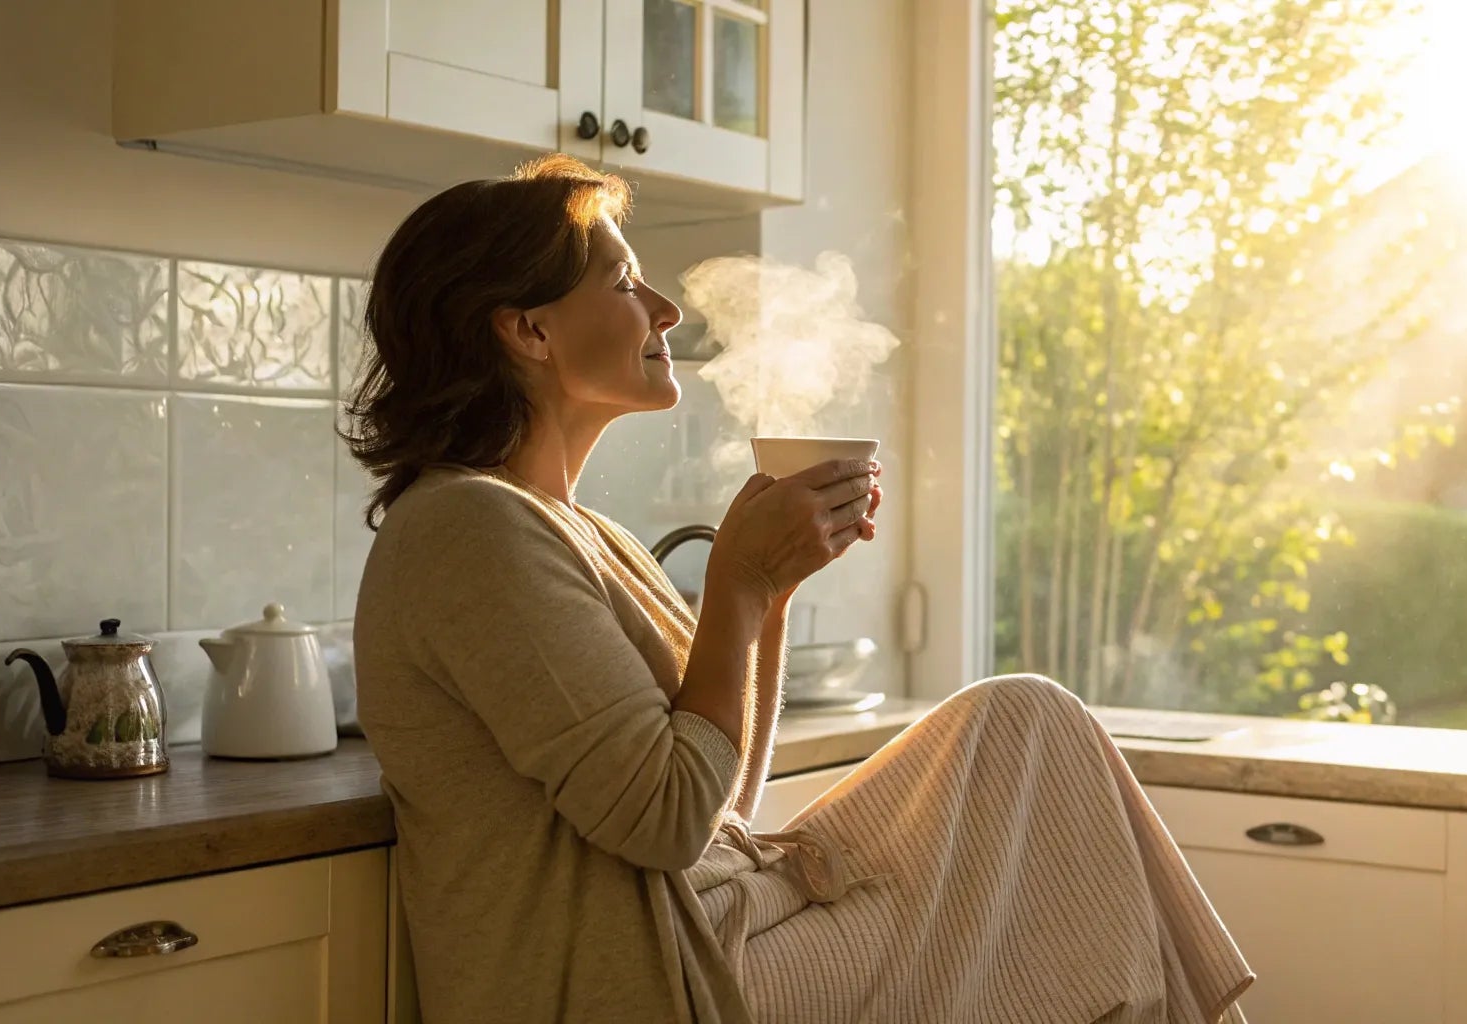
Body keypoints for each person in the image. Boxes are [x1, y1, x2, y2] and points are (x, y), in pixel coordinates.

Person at [346, 154, 1253, 1024]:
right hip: (668, 977)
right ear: (528, 329)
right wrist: (735, 586)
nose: (664, 311)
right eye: (625, 285)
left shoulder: (572, 527)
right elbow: (665, 823)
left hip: (724, 920)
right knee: (1064, 883)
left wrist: (769, 596)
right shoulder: (469, 527)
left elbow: (717, 808)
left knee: (1028, 733)